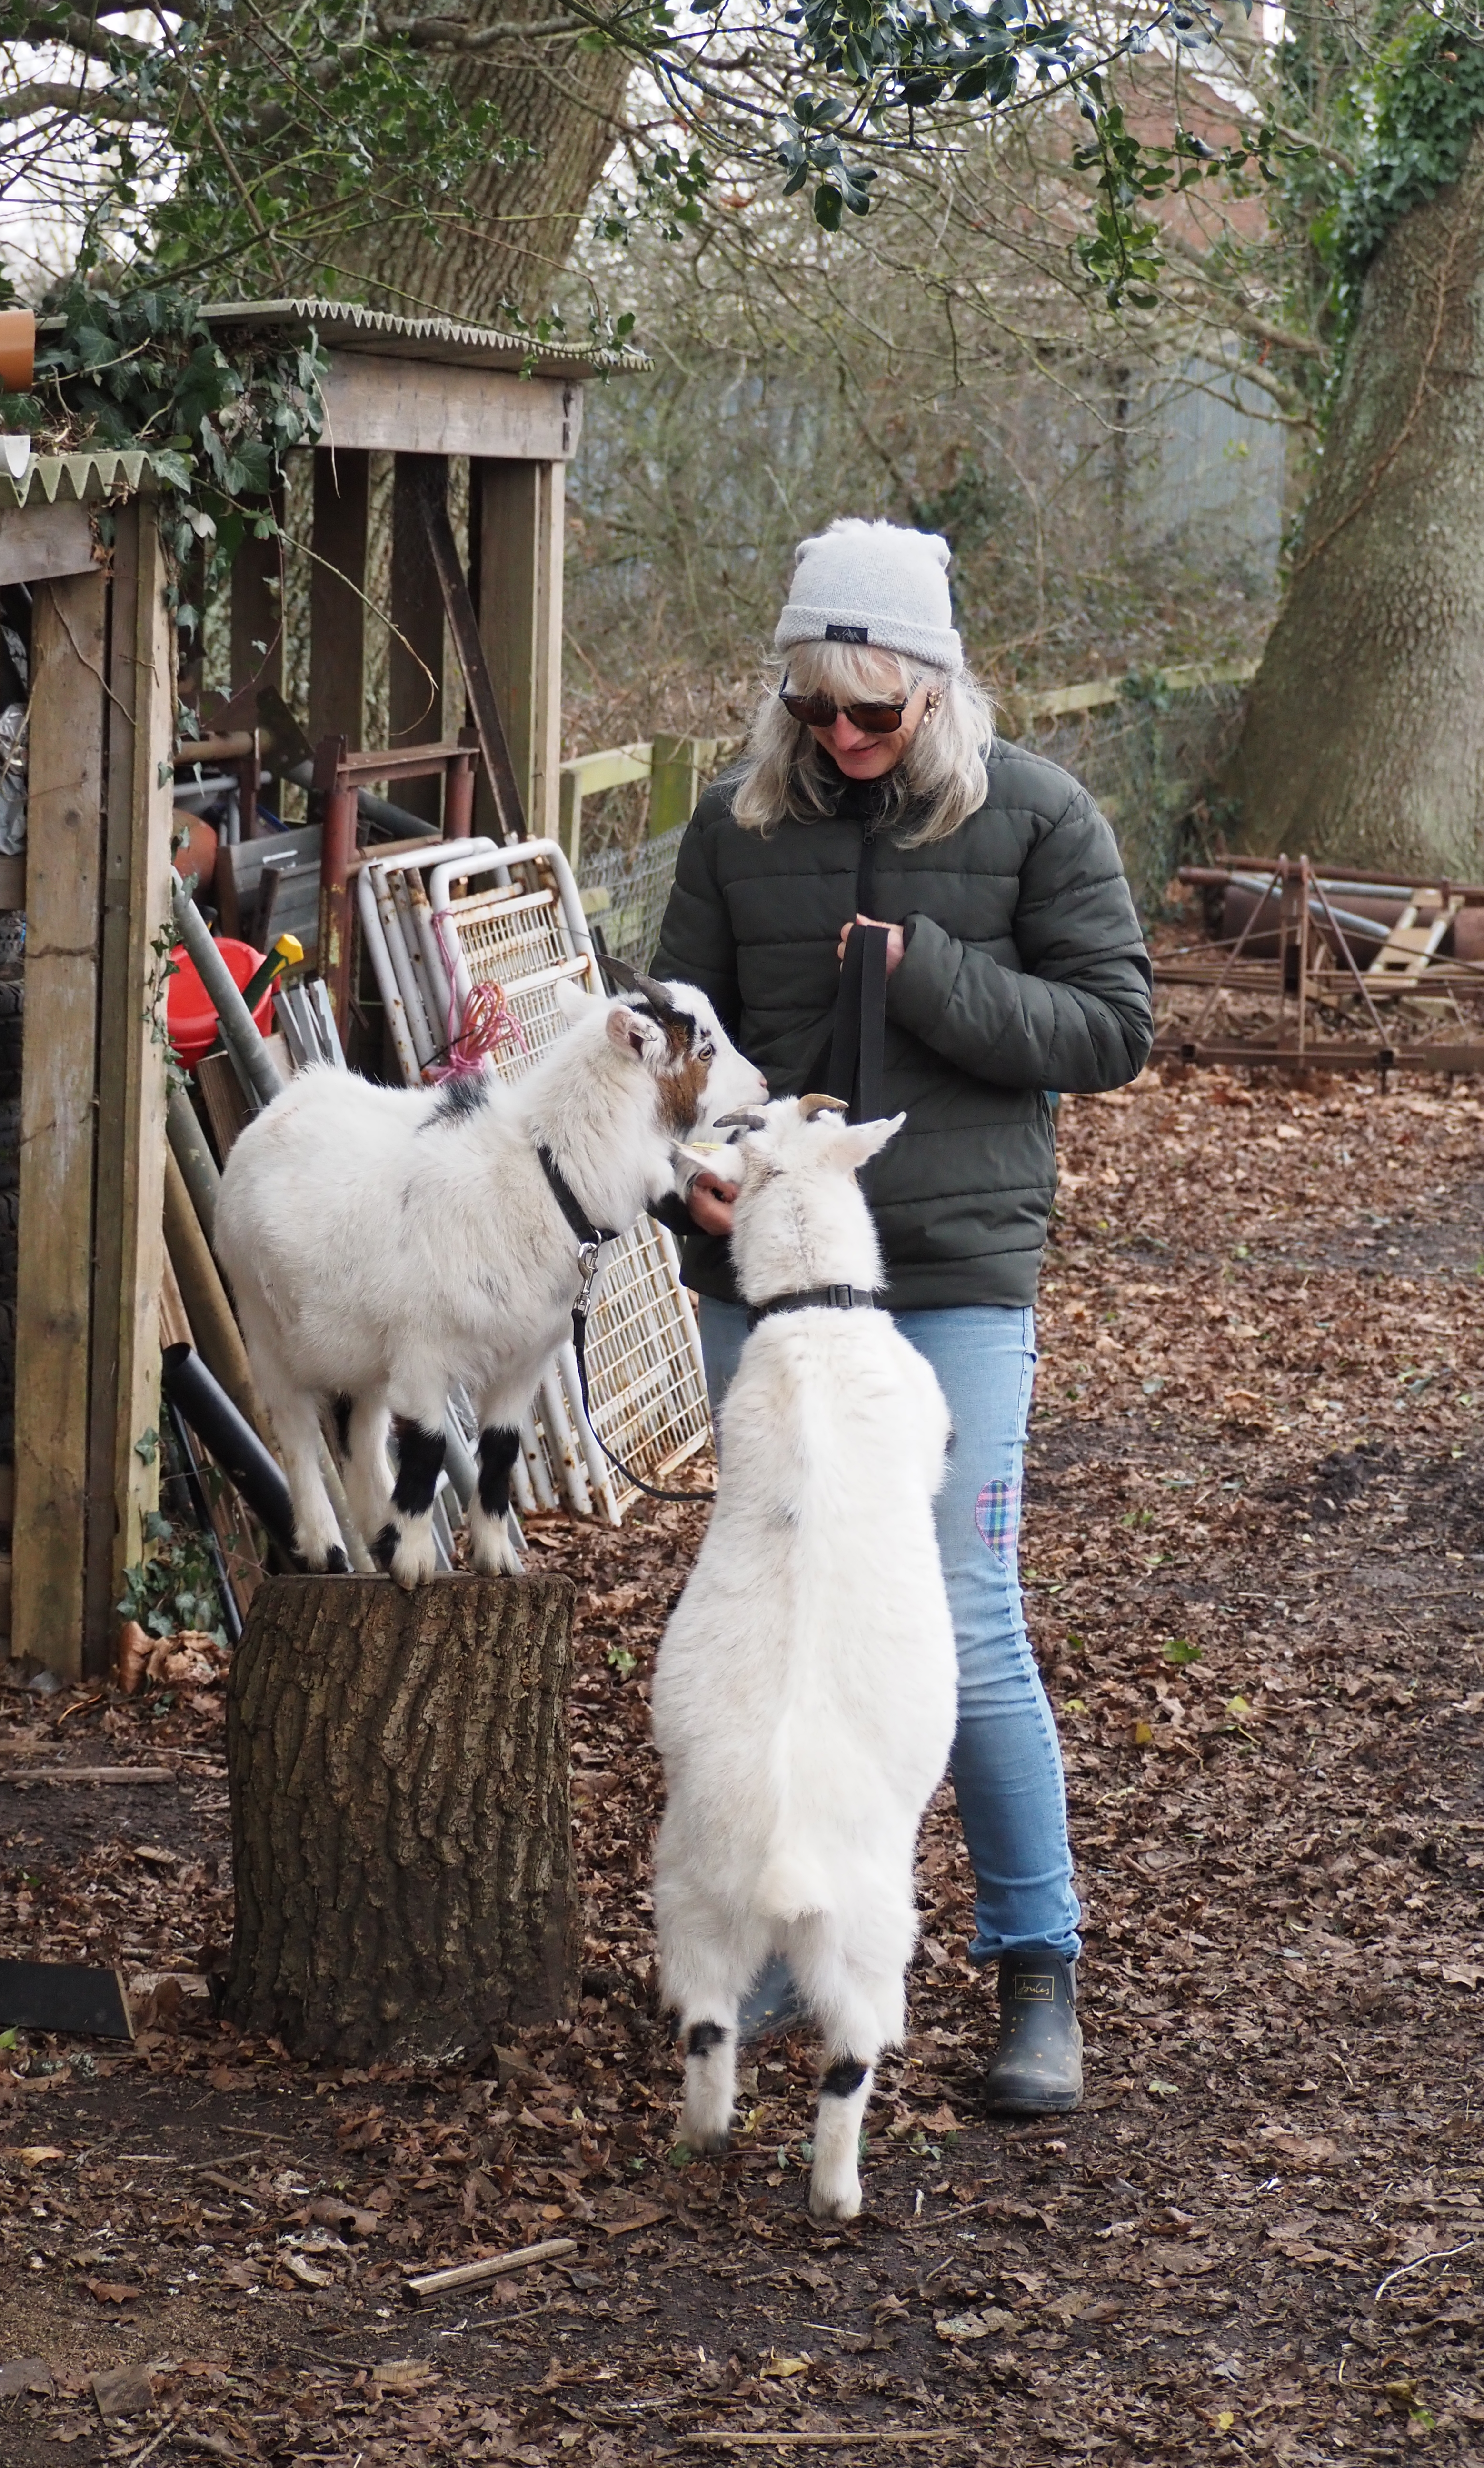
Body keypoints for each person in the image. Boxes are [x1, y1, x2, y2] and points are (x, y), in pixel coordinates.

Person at [649, 517, 1153, 2114]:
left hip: (950, 1274)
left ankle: (1036, 1966)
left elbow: (1115, 1028)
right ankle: (795, 1955)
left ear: (938, 690)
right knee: (781, 1604)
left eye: (876, 712)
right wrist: (688, 1186)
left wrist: (930, 975)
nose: (846, 741)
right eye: (818, 710)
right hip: (776, 1281)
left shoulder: (1041, 817)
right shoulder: (736, 828)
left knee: (961, 1605)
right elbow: (676, 1047)